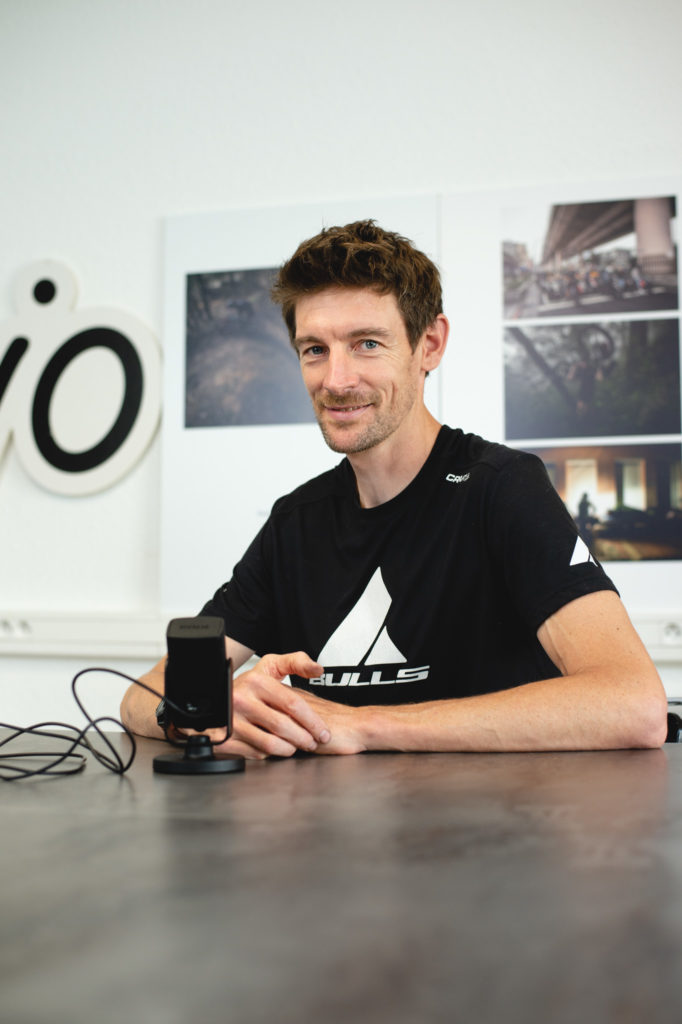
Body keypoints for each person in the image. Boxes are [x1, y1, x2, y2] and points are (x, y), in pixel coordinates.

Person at [120, 220, 667, 757]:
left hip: (488, 816)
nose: (336, 380)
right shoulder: (296, 522)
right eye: (314, 349)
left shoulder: (500, 490)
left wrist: (363, 726)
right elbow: (141, 697)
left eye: (366, 344)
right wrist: (205, 712)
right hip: (327, 818)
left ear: (429, 344)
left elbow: (633, 703)